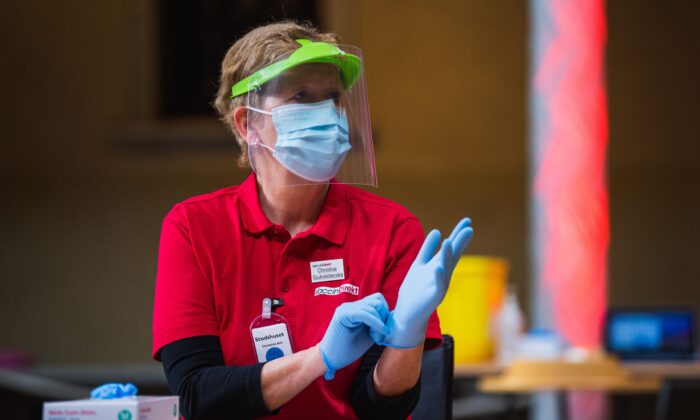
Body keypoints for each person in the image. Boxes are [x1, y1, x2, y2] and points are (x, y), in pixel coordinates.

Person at [152, 21, 473, 419]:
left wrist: (407, 333)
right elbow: (199, 395)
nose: (325, 113)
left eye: (333, 98)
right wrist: (319, 358)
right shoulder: (194, 227)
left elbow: (382, 408)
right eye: (302, 96)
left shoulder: (390, 229)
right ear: (247, 123)